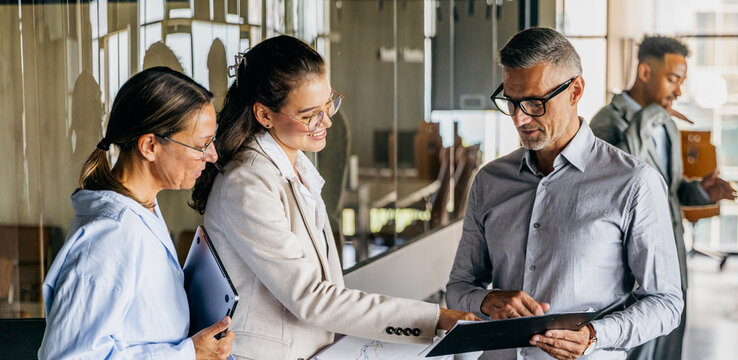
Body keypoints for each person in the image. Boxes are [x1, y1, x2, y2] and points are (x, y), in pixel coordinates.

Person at [190, 35, 479, 360]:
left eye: (328, 104)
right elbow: (312, 297)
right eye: (309, 114)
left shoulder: (295, 165)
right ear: (264, 115)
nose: (326, 121)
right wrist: (434, 318)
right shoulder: (248, 185)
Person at [446, 27, 683, 360]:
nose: (519, 118)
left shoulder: (634, 183)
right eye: (511, 102)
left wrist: (595, 335)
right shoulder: (489, 181)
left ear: (575, 91)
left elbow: (666, 302)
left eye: (534, 102)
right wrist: (485, 301)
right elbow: (458, 288)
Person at [39, 67, 235, 359]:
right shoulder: (110, 236)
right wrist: (188, 353)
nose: (212, 155)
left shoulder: (143, 208)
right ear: (150, 146)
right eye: (200, 145)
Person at [589, 35, 736, 360]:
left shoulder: (667, 125)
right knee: (635, 348)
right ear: (645, 72)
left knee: (670, 345)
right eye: (673, 79)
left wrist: (702, 191)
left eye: (681, 81)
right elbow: (619, 188)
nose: (679, 91)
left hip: (671, 257)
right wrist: (648, 117)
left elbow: (669, 188)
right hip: (629, 264)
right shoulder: (606, 123)